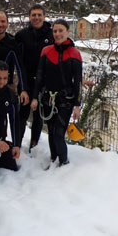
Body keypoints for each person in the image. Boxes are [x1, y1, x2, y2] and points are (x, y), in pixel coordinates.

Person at [30, 19, 82, 167]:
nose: (57, 34)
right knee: (51, 131)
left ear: (68, 32)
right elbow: (39, 77)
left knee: (59, 133)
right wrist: (35, 97)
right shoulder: (46, 51)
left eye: (61, 31)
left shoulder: (75, 54)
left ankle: (64, 162)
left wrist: (77, 106)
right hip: (48, 99)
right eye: (55, 31)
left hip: (66, 100)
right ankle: (54, 158)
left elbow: (77, 81)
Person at [15, 4, 53, 152]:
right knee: (22, 115)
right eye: (33, 15)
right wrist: (19, 85)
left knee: (39, 116)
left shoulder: (51, 35)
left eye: (39, 15)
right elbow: (16, 60)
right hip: (26, 81)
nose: (36, 17)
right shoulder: (22, 35)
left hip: (44, 83)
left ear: (44, 16)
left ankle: (34, 144)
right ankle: (17, 144)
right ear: (29, 17)